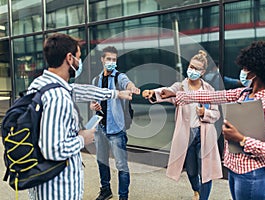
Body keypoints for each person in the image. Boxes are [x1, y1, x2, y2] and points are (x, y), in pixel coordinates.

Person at [160, 41, 265, 200]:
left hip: (255, 174)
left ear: (257, 72)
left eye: (246, 68)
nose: (243, 71)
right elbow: (212, 96)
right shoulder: (244, 93)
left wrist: (241, 139)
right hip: (236, 170)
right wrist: (176, 95)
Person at [27, 33, 132, 200]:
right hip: (58, 189)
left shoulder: (42, 84)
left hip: (44, 185)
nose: (79, 62)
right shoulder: (58, 97)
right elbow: (53, 149)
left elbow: (80, 90)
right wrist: (83, 138)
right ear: (70, 58)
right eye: (78, 57)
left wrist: (116, 93)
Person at [142, 50, 222, 200]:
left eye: (196, 69)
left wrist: (205, 113)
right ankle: (196, 190)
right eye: (191, 67)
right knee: (191, 171)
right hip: (187, 135)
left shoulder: (209, 90)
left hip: (204, 135)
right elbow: (167, 92)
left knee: (206, 172)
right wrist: (152, 93)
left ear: (203, 72)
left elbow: (216, 114)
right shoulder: (180, 87)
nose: (192, 71)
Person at [90, 46, 140, 200]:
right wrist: (93, 106)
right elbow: (93, 100)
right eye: (108, 59)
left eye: (114, 59)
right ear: (102, 60)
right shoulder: (96, 80)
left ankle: (123, 196)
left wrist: (133, 88)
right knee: (102, 162)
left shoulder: (119, 77)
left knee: (121, 165)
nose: (111, 62)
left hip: (116, 129)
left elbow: (128, 84)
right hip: (100, 127)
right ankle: (106, 190)